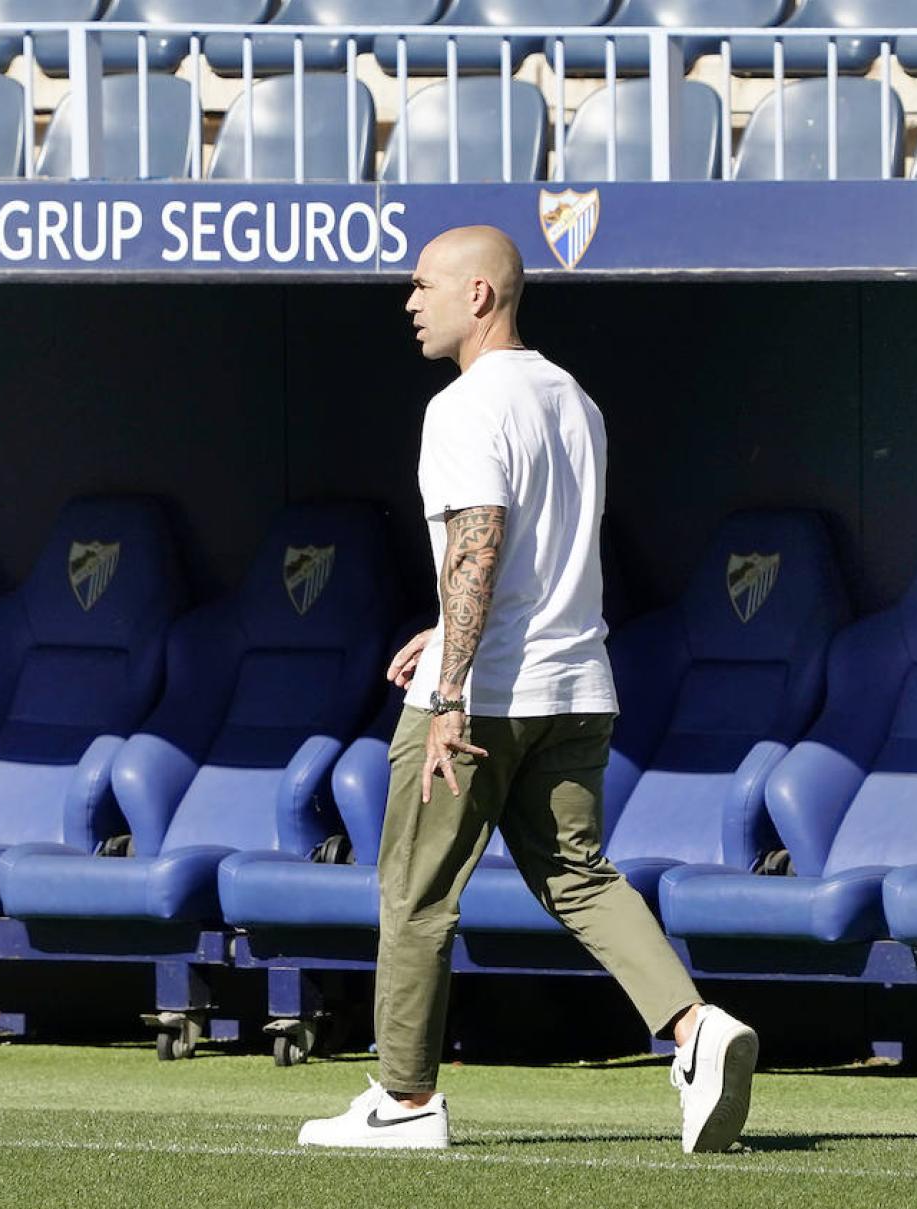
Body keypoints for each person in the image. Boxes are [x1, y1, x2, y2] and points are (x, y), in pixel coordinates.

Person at [297, 226, 757, 1154]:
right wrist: (446, 626)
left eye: (423, 284)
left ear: (478, 296)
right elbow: (532, 554)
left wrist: (450, 686)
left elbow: (482, 540)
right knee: (580, 877)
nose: (408, 301)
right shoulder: (573, 398)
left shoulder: (463, 406)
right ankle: (696, 1028)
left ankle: (406, 1101)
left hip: (484, 697)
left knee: (415, 894)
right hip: (578, 683)